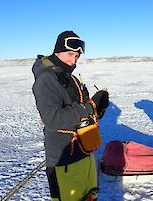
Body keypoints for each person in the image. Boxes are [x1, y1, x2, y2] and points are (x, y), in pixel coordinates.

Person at [32, 30, 109, 201]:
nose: (73, 60)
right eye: (69, 54)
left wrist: (98, 109)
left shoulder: (69, 77)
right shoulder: (47, 78)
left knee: (89, 196)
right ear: (57, 51)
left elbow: (83, 109)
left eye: (76, 56)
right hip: (64, 159)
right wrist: (90, 107)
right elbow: (53, 119)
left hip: (84, 151)